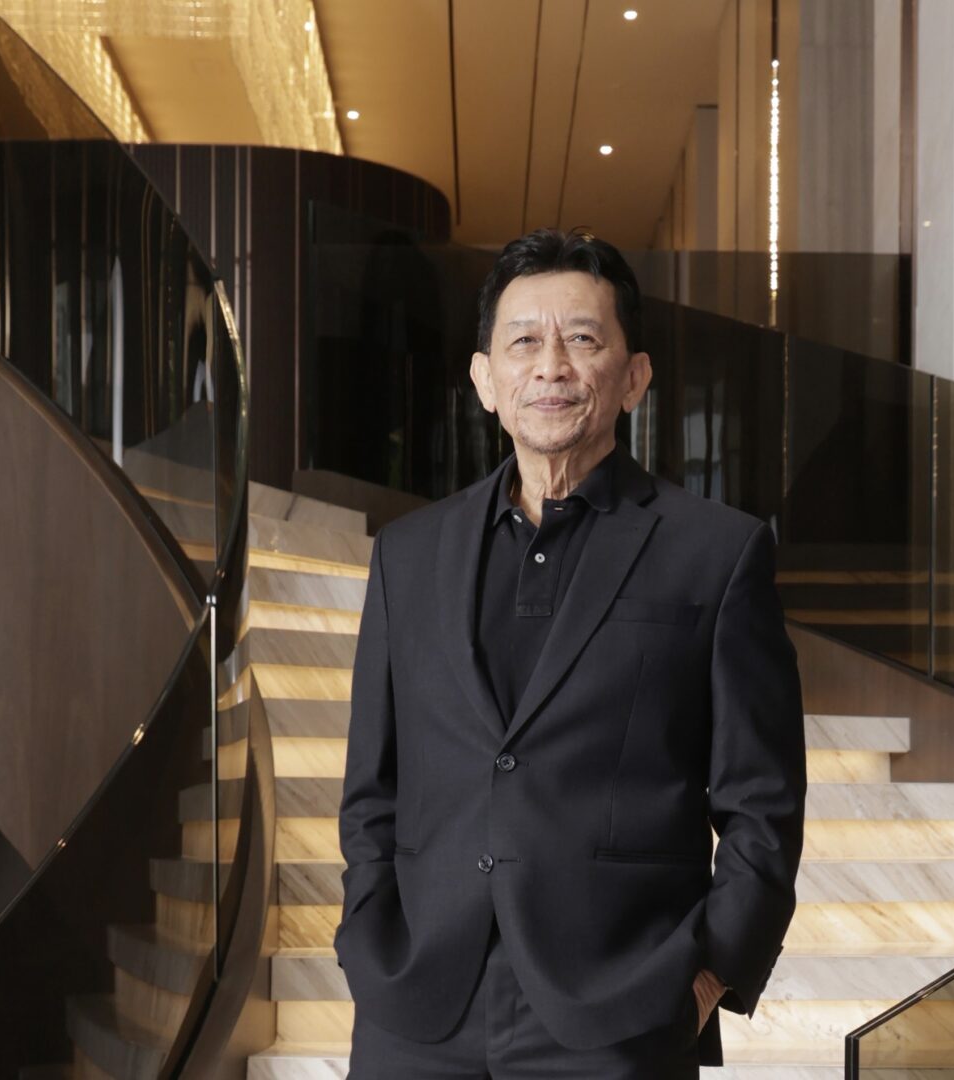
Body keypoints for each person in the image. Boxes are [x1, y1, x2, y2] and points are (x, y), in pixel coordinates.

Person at [335, 227, 807, 1078]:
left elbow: (763, 804)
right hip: (418, 1011)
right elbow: (374, 785)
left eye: (582, 339)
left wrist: (708, 974)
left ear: (634, 377)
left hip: (618, 1013)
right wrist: (368, 931)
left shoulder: (716, 552)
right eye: (523, 342)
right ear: (486, 380)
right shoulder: (407, 554)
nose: (550, 366)